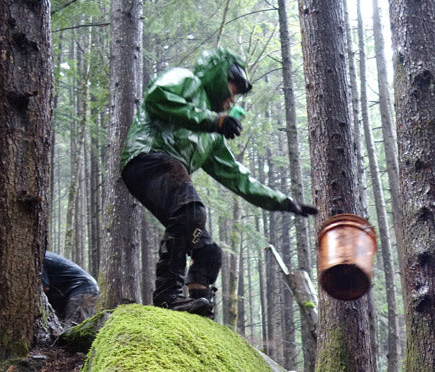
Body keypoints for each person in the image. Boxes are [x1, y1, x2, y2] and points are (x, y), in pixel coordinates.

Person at [120, 47, 317, 317]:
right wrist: (213, 120)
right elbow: (157, 97)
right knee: (191, 211)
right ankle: (167, 296)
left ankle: (199, 307)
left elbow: (238, 178)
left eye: (236, 94)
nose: (231, 98)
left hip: (166, 172)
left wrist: (285, 203)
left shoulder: (212, 137)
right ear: (217, 75)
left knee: (208, 250)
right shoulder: (186, 80)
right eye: (231, 88)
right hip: (146, 157)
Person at [43, 250, 100, 325]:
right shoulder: (42, 255)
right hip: (74, 291)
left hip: (82, 288)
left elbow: (44, 288)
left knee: (73, 330)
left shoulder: (39, 258)